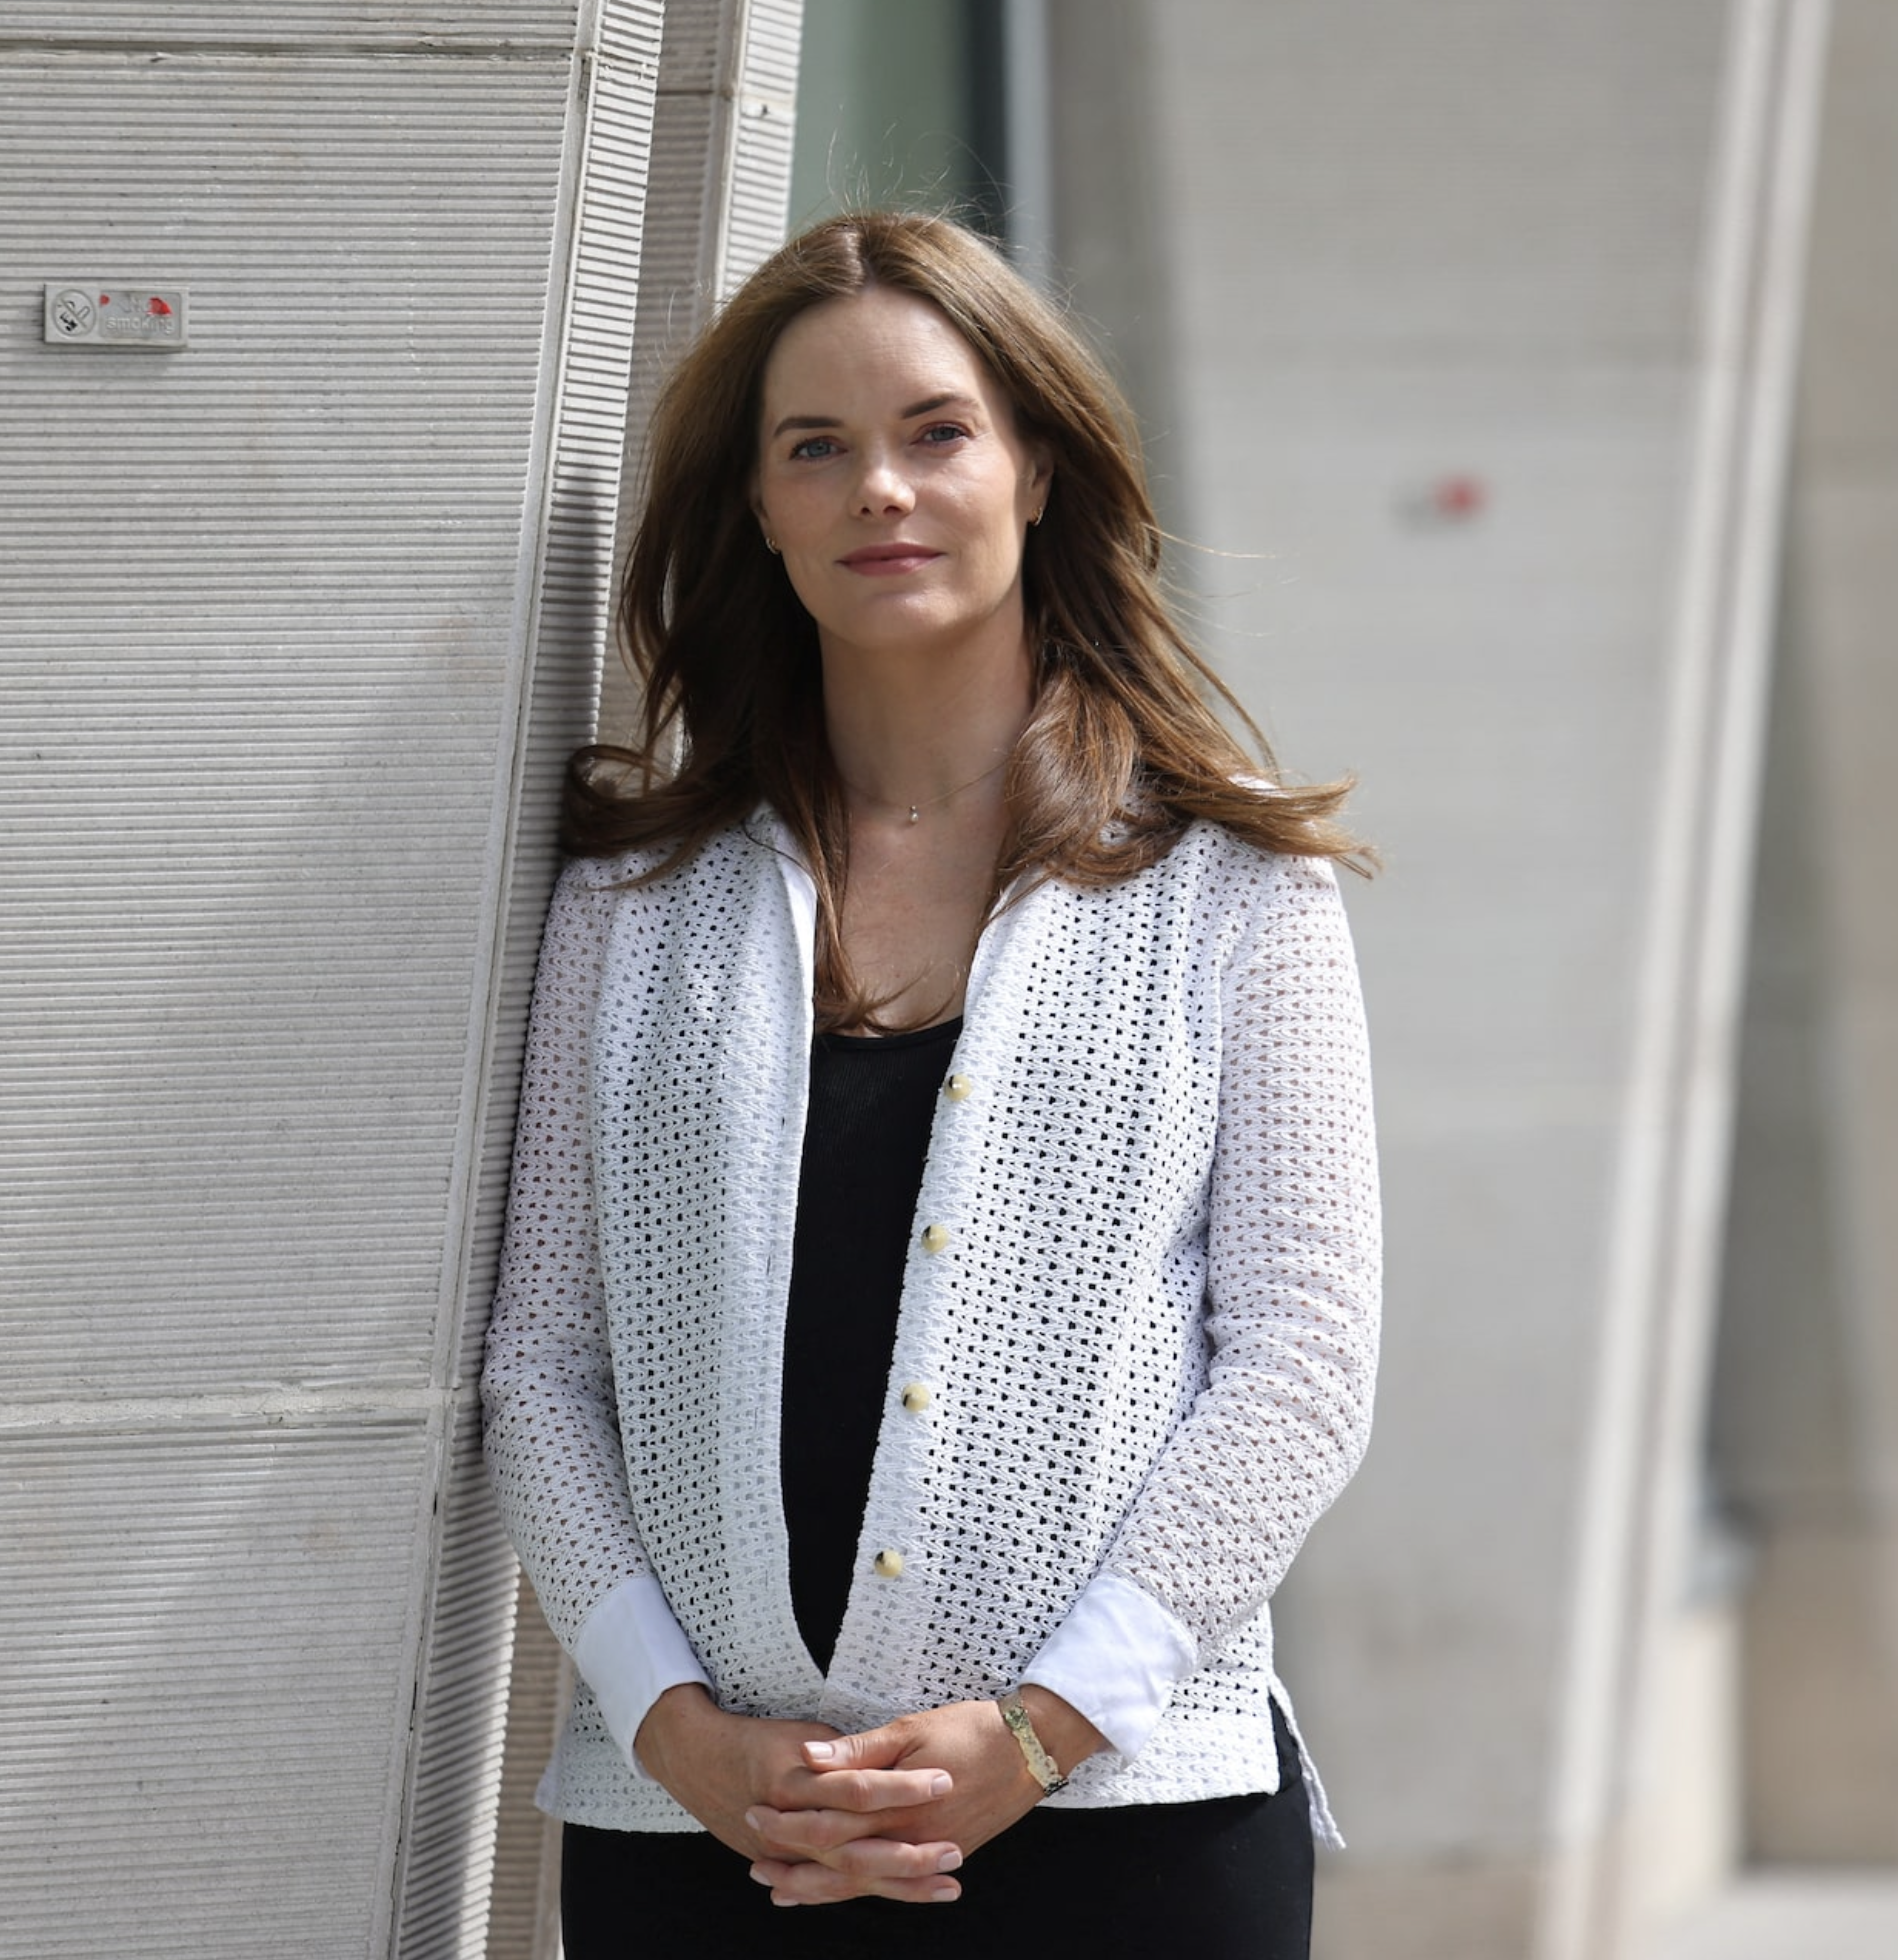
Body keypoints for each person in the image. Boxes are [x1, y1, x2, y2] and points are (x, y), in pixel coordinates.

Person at [479, 208, 1381, 1958]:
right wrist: (680, 1735)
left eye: (935, 433)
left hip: (1124, 1830)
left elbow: (1303, 1362)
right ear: (757, 507)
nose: (877, 490)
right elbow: (539, 1361)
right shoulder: (631, 900)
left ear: (1035, 467)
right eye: (815, 449)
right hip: (708, 1838)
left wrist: (1034, 1737)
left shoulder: (1225, 891)